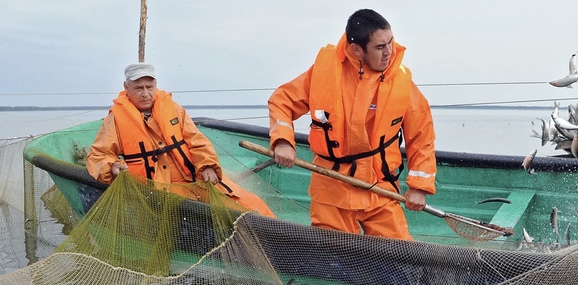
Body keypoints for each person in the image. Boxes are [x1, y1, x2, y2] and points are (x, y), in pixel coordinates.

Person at [268, 9, 437, 240]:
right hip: (332, 189)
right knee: (334, 258)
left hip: (380, 189)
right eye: (380, 47)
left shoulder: (402, 83)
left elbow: (422, 137)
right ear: (357, 49)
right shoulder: (324, 73)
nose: (389, 52)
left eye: (390, 42)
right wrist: (282, 141)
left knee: (401, 255)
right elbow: (282, 101)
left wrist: (419, 187)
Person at [87, 63, 274, 217]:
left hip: (196, 181)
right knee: (224, 214)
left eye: (149, 87)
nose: (145, 93)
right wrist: (111, 167)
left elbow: (197, 141)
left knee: (252, 203)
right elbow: (98, 155)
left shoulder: (174, 109)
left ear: (155, 86)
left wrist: (208, 166)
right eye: (138, 88)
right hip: (155, 192)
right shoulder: (116, 120)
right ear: (126, 88)